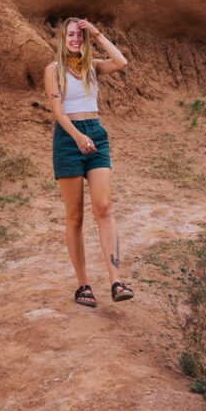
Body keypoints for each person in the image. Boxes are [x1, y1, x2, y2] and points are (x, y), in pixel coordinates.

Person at [44, 16, 134, 307]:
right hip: (68, 138)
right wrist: (77, 138)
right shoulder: (54, 70)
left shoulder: (93, 68)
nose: (75, 40)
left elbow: (121, 62)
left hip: (96, 133)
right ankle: (83, 285)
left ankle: (116, 281)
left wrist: (95, 34)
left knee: (104, 208)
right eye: (71, 35)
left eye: (79, 36)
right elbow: (58, 111)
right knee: (75, 217)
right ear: (62, 38)